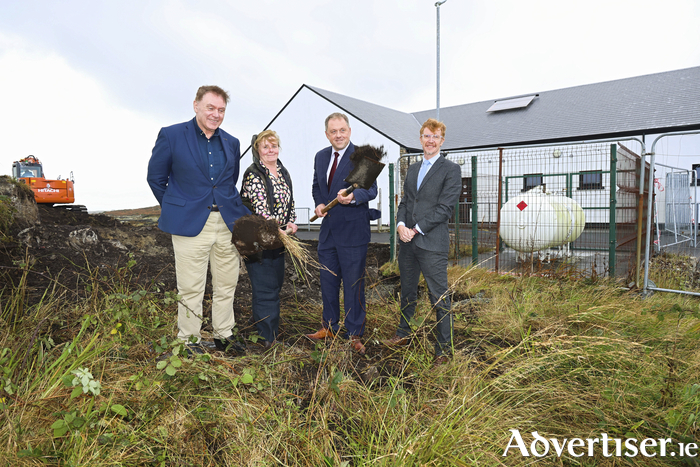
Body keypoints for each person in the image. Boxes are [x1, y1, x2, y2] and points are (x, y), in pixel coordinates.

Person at [147, 85, 250, 356]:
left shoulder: (232, 142)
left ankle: (223, 336)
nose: (216, 115)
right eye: (210, 108)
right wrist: (179, 207)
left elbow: (228, 183)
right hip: (190, 225)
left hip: (226, 224)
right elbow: (156, 178)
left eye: (221, 110)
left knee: (227, 284)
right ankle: (189, 342)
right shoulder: (171, 135)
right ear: (196, 105)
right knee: (191, 287)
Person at [383, 118, 461, 365]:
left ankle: (443, 351)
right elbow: (406, 202)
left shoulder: (451, 170)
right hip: (408, 243)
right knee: (407, 291)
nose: (430, 140)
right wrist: (400, 225)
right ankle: (403, 333)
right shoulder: (413, 169)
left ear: (442, 141)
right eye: (426, 136)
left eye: (435, 137)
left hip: (431, 243)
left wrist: (415, 229)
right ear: (421, 138)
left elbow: (445, 208)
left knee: (439, 297)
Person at [307, 112, 378, 355]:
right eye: (333, 131)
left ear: (349, 131)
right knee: (327, 282)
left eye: (342, 130)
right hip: (328, 233)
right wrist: (319, 203)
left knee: (353, 285)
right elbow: (318, 185)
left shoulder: (363, 156)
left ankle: (354, 332)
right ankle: (329, 326)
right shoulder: (321, 156)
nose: (338, 135)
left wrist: (352, 198)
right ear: (327, 134)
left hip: (353, 232)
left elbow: (370, 191)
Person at [240, 130, 298, 349]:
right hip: (257, 239)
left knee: (274, 282)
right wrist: (276, 228)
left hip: (278, 237)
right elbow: (260, 207)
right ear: (258, 150)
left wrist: (291, 222)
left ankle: (260, 324)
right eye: (265, 147)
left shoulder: (283, 172)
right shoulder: (254, 174)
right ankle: (268, 339)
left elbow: (290, 201)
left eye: (274, 145)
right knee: (266, 288)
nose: (270, 150)